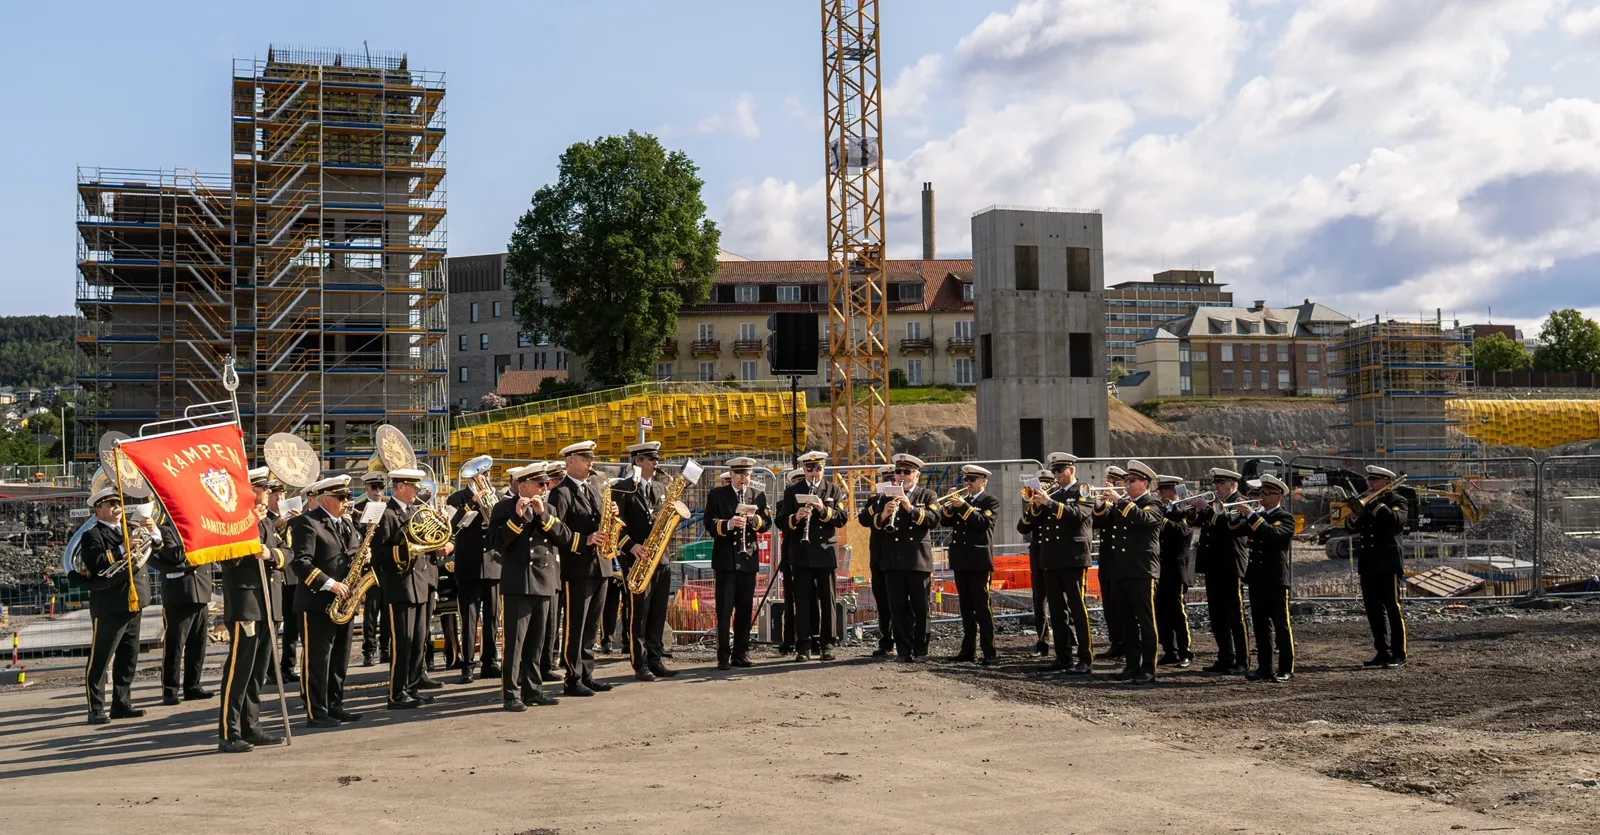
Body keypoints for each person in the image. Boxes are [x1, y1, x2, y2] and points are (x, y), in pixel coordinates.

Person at [217, 468, 289, 753]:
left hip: (268, 605)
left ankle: (251, 726)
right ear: (249, 491)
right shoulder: (235, 521)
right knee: (238, 671)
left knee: (258, 671)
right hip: (246, 605)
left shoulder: (266, 522)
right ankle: (229, 731)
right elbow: (228, 559)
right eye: (263, 488)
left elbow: (287, 553)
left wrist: (272, 554)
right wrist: (246, 527)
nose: (269, 492)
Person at [491, 462, 568, 710]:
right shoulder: (503, 508)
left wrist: (544, 515)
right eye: (540, 484)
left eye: (546, 484)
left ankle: (533, 690)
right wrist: (517, 517)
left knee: (537, 642)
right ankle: (511, 694)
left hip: (544, 582)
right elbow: (497, 543)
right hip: (519, 583)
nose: (545, 488)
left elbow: (564, 536)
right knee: (515, 644)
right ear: (524, 486)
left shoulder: (550, 508)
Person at [373, 468, 452, 710]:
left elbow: (434, 541)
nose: (418, 491)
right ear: (399, 487)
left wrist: (443, 544)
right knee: (403, 642)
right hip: (402, 585)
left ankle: (413, 686)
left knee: (419, 639)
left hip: (424, 582)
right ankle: (396, 693)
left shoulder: (418, 512)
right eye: (413, 487)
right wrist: (410, 550)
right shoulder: (386, 514)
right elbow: (380, 555)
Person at [290, 475, 365, 728]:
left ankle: (335, 704)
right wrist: (331, 584)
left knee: (340, 657)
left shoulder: (346, 523)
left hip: (344, 601)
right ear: (326, 499)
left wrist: (364, 559)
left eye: (348, 497)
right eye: (342, 498)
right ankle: (316, 711)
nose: (347, 502)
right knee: (318, 659)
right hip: (317, 602)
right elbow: (301, 562)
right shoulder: (307, 523)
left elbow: (352, 553)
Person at [546, 440, 617, 697]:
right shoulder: (561, 492)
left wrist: (612, 514)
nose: (591, 464)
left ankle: (587, 674)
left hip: (600, 565)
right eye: (586, 459)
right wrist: (584, 539)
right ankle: (572, 677)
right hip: (577, 567)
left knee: (591, 625)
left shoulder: (593, 490)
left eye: (591, 459)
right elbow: (556, 529)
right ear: (571, 461)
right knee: (576, 624)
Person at [79, 488, 154, 725]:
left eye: (118, 504)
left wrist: (153, 532)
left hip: (134, 600)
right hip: (110, 604)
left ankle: (122, 703)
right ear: (98, 510)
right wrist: (124, 548)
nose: (117, 508)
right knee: (102, 657)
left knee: (128, 656)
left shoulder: (130, 529)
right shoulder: (92, 535)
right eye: (110, 505)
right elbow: (97, 564)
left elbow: (156, 547)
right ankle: (96, 707)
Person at [615, 441, 677, 681]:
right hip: (638, 558)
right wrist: (631, 546)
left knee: (658, 612)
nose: (656, 463)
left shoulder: (661, 487)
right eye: (651, 459)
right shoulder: (622, 489)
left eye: (657, 459)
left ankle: (655, 658)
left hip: (661, 558)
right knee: (639, 613)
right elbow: (614, 526)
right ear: (637, 461)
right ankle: (639, 663)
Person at [780, 451, 850, 662]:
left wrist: (822, 509)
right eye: (810, 469)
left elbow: (841, 519)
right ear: (804, 470)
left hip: (825, 552)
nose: (814, 473)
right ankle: (803, 645)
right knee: (802, 600)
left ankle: (827, 644)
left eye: (818, 468)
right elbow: (781, 520)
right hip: (801, 554)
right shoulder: (793, 491)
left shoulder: (833, 490)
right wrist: (796, 517)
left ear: (823, 468)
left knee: (827, 600)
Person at [1099, 460, 1164, 685]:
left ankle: (1149, 668)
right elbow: (1102, 522)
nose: (1126, 484)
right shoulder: (1123, 504)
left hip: (1142, 570)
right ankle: (1131, 664)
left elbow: (1144, 519)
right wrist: (1102, 504)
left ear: (1144, 483)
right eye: (1126, 481)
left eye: (1131, 480)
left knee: (1146, 621)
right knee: (1126, 621)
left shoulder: (1153, 502)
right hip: (1120, 570)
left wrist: (1119, 500)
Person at [704, 457, 772, 670]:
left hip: (748, 559)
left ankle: (740, 653)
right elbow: (709, 523)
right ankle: (723, 655)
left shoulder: (757, 495)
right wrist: (728, 523)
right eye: (740, 474)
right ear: (731, 475)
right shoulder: (717, 495)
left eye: (747, 475)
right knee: (724, 610)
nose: (744, 479)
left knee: (744, 609)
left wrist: (754, 520)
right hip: (725, 560)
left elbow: (766, 524)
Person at [1030, 454, 1095, 674]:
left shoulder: (1083, 490)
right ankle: (1063, 657)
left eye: (1060, 470)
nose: (1057, 475)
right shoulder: (1054, 493)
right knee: (1057, 611)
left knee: (1078, 609)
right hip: (1051, 558)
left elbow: (1078, 515)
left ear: (1072, 470)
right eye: (1055, 471)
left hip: (1074, 558)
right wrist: (1037, 505)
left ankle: (1085, 658)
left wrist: (1049, 502)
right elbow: (1033, 523)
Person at [147, 502, 213, 706]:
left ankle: (192, 686)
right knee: (175, 645)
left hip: (200, 592)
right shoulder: (167, 530)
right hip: (179, 596)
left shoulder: (196, 527)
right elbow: (175, 556)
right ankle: (170, 690)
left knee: (198, 644)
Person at [875, 453, 939, 663]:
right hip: (893, 560)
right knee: (898, 608)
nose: (901, 475)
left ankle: (920, 649)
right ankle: (903, 649)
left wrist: (910, 508)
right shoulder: (886, 496)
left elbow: (933, 519)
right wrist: (885, 514)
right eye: (898, 472)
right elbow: (874, 523)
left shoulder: (927, 495)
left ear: (916, 476)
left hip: (917, 560)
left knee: (921, 608)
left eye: (906, 472)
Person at [1347, 465, 1409, 669]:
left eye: (1375, 480)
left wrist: (1373, 503)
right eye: (1369, 480)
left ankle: (1399, 653)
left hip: (1387, 562)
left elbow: (1394, 520)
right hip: (1368, 562)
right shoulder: (1368, 502)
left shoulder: (1398, 501)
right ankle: (1382, 651)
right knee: (1374, 610)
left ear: (1387, 482)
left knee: (1392, 608)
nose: (1370, 484)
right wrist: (1355, 515)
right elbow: (1350, 526)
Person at [941, 464, 1001, 664]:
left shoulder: (990, 501)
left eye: (972, 480)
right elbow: (945, 522)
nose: (968, 484)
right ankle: (968, 651)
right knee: (965, 608)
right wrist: (949, 507)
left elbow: (983, 524)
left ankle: (989, 652)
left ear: (983, 481)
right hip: (961, 560)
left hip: (979, 561)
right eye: (966, 480)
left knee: (982, 607)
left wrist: (964, 507)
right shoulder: (962, 501)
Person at [1195, 468, 1250, 675]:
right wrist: (1197, 509)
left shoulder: (1239, 503)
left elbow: (1229, 525)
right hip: (1213, 565)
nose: (1217, 487)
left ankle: (1242, 660)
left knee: (1235, 614)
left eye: (1221, 483)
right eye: (1216, 484)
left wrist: (1208, 510)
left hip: (1230, 564)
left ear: (1233, 484)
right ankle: (1225, 657)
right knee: (1217, 615)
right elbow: (1199, 523)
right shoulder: (1217, 504)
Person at [447, 475, 501, 684]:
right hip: (469, 566)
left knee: (492, 617)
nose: (485, 478)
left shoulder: (496, 496)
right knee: (469, 619)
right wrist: (473, 502)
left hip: (493, 565)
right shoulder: (456, 498)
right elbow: (453, 526)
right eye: (480, 474)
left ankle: (489, 662)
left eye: (487, 474)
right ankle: (468, 665)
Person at [1243, 474, 1296, 682]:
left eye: (1266, 493)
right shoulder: (1258, 516)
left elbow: (1272, 534)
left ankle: (1286, 668)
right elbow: (1236, 530)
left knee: (1281, 624)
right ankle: (1264, 667)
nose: (1261, 497)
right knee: (1260, 625)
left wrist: (1252, 516)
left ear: (1278, 495)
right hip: (1257, 578)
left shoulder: (1285, 517)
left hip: (1275, 579)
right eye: (1261, 492)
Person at [1154, 475, 1196, 668]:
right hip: (1160, 566)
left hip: (1176, 567)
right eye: (1159, 491)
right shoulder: (1162, 509)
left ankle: (1185, 651)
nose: (1160, 494)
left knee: (1178, 610)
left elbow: (1183, 531)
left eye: (1163, 491)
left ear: (1174, 491)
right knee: (1161, 610)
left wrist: (1161, 519)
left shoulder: (1183, 510)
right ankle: (1169, 650)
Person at [1018, 469, 1058, 659]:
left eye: (1045, 484)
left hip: (1056, 557)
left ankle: (1068, 639)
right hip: (1038, 557)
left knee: (1061, 603)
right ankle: (1042, 643)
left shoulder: (1055, 503)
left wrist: (1046, 502)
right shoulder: (1035, 505)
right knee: (1038, 603)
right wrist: (1033, 505)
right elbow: (1022, 527)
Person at [858, 464, 897, 657]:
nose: (889, 481)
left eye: (892, 478)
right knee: (882, 602)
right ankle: (886, 641)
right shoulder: (875, 500)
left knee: (900, 602)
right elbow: (863, 519)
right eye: (886, 478)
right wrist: (880, 504)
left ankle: (904, 640)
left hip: (898, 559)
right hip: (879, 558)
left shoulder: (904, 499)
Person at [354, 470, 389, 667]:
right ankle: (369, 650)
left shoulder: (388, 507)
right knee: (371, 609)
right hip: (369, 564)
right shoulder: (358, 508)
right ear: (366, 488)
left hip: (386, 563)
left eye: (381, 487)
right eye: (374, 487)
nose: (378, 491)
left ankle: (385, 648)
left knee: (386, 607)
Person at [1095, 465, 1128, 659]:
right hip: (1107, 558)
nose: (1110, 485)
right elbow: (1096, 523)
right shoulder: (1108, 505)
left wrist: (1117, 500)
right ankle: (1116, 642)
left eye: (1116, 482)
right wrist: (1100, 504)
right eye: (1110, 481)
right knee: (1109, 603)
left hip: (1123, 560)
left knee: (1124, 603)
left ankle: (1130, 643)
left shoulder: (1127, 503)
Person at [270, 483, 302, 684]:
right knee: (274, 625)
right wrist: (278, 525)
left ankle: (288, 666)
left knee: (292, 626)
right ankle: (271, 670)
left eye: (282, 495)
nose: (280, 500)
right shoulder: (266, 519)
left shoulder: (293, 519)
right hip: (277, 577)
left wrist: (298, 522)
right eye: (276, 496)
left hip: (292, 576)